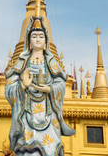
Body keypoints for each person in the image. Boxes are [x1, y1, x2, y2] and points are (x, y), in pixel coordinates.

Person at [5, 17, 75, 156]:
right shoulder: (22, 63)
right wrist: (22, 85)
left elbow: (61, 84)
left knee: (50, 149)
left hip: (48, 114)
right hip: (27, 113)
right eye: (34, 36)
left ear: (46, 42)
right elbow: (8, 88)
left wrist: (50, 89)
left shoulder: (51, 64)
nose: (38, 39)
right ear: (28, 42)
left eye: (41, 36)